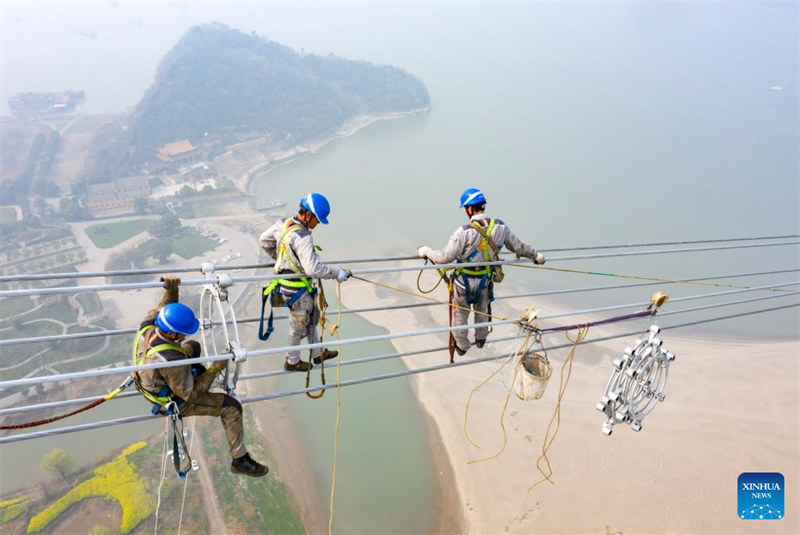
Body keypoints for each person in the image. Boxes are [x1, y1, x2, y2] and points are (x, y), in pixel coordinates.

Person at [134, 276, 268, 477]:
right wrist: (215, 368)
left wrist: (172, 290)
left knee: (193, 347)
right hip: (172, 398)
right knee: (231, 407)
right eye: (181, 334)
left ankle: (201, 379)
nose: (183, 337)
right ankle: (240, 459)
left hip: (152, 376)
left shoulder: (149, 325)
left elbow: (164, 307)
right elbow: (191, 395)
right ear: (171, 335)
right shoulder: (171, 359)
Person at [417, 188, 545, 355]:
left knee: (460, 315)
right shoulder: (500, 226)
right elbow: (518, 246)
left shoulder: (464, 231)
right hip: (485, 280)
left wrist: (427, 251)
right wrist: (536, 255)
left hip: (464, 282)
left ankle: (462, 346)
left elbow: (444, 257)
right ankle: (481, 339)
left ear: (469, 208)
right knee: (482, 309)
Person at [259, 193, 350, 371]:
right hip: (298, 290)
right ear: (308, 215)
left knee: (311, 320)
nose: (317, 224)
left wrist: (282, 260)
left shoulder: (283, 224)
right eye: (316, 220)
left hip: (287, 285)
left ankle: (317, 353)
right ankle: (292, 361)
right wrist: (336, 273)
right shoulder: (304, 237)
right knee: (298, 326)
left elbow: (264, 240)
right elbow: (313, 269)